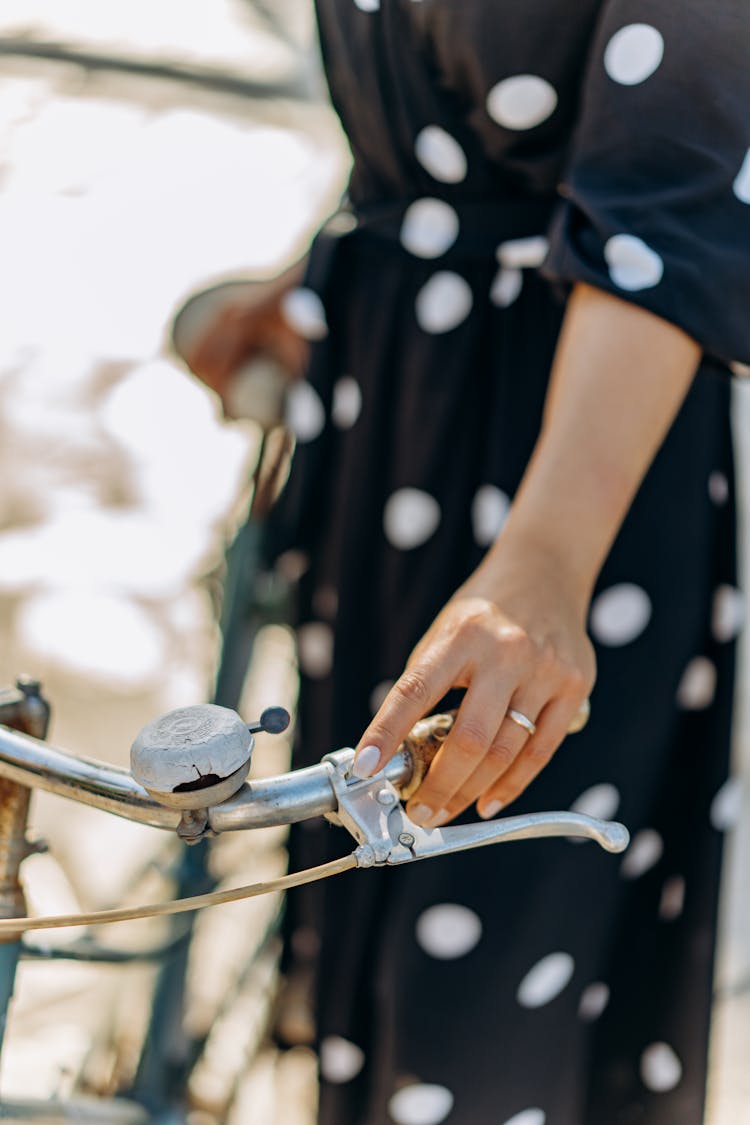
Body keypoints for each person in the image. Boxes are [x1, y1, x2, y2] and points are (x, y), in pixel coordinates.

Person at [188, 2, 750, 1122]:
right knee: (366, 897)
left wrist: (542, 560)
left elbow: (678, 196)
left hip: (573, 465)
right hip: (392, 411)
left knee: (478, 1006)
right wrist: (312, 276)